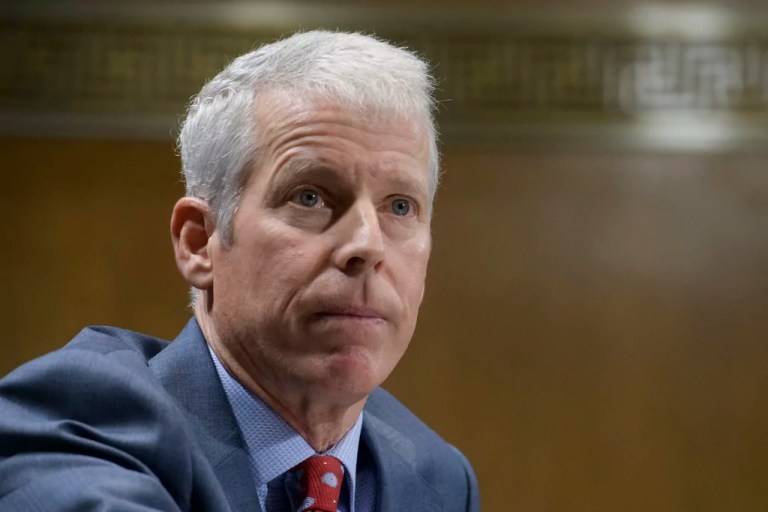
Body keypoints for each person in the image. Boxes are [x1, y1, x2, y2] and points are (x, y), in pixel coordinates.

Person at [0, 31, 480, 511]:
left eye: (400, 205)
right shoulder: (80, 421)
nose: (367, 245)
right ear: (199, 242)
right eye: (309, 196)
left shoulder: (438, 478)